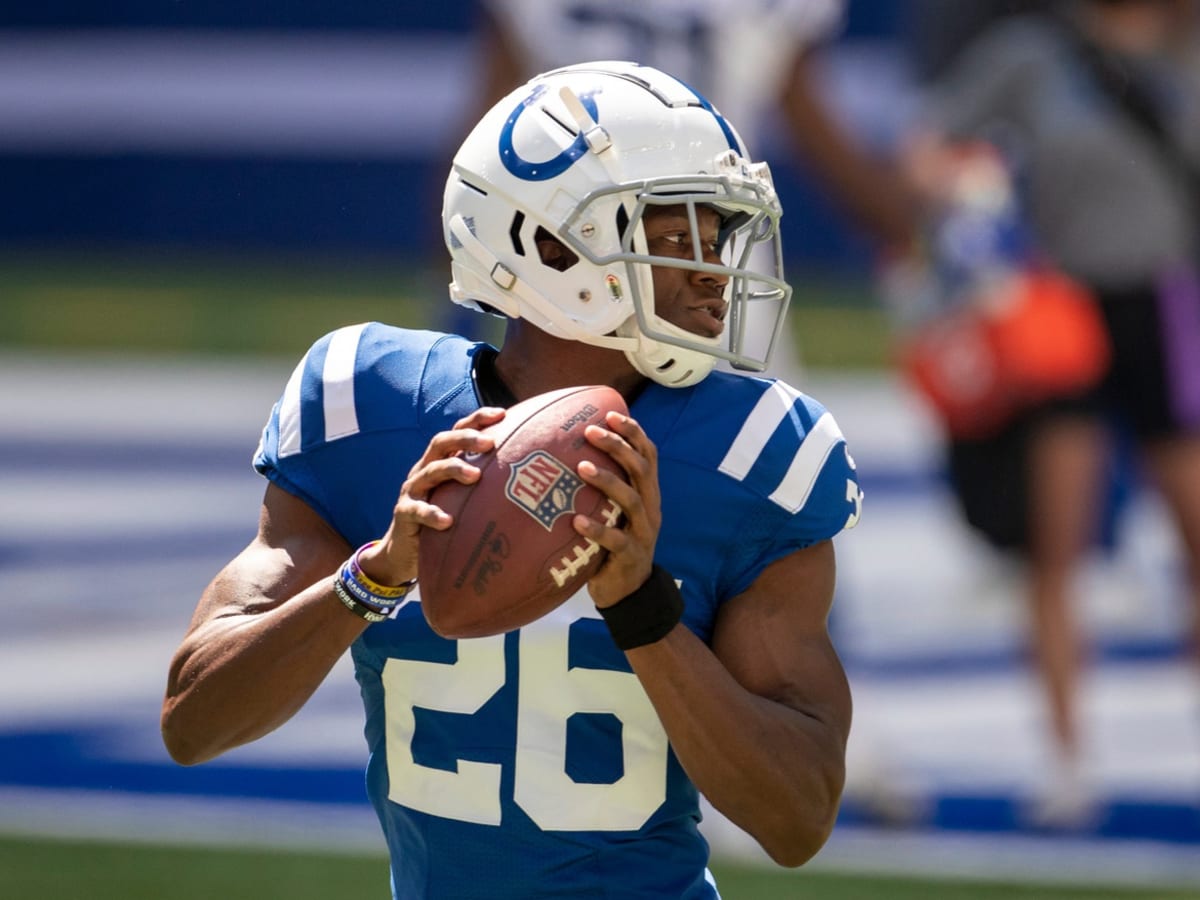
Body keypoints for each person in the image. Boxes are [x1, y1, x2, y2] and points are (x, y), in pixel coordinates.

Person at [161, 61, 863, 897]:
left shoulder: (754, 451)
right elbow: (193, 721)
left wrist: (643, 611)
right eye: (678, 236)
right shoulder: (368, 405)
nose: (714, 272)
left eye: (719, 236)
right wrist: (375, 577)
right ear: (550, 243)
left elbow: (798, 817)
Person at [899, 0, 1200, 824]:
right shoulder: (1035, 54)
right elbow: (929, 147)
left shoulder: (1186, 49)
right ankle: (1067, 762)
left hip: (1159, 305)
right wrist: (971, 212)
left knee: (1195, 530)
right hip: (1059, 314)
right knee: (1055, 544)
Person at [459, 0, 916, 384]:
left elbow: (484, 138)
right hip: (708, 255)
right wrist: (917, 228)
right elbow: (816, 133)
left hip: (566, 255)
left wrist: (459, 287)